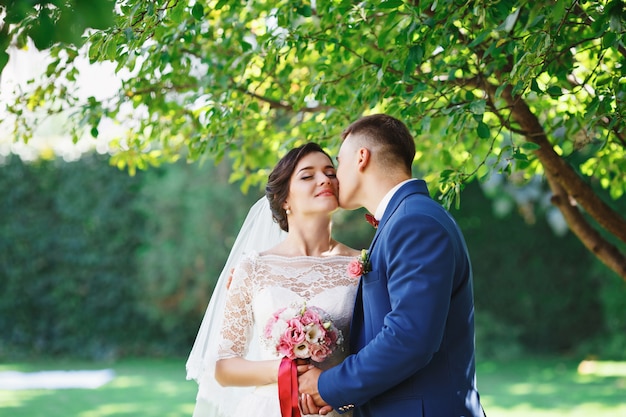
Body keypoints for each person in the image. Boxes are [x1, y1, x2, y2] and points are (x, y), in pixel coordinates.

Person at [298, 114, 485, 416]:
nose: (334, 177)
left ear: (362, 158)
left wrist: (328, 385)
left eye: (338, 162)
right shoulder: (405, 219)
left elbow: (410, 337)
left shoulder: (414, 222)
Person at [186, 142, 360, 417]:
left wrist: (340, 393)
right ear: (285, 200)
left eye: (330, 172)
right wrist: (283, 371)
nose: (324, 179)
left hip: (335, 408)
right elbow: (223, 366)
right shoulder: (253, 267)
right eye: (307, 175)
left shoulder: (360, 265)